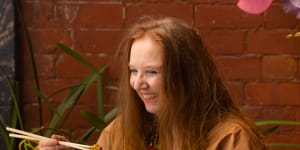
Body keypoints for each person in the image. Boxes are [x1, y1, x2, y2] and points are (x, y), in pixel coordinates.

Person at [38, 16, 267, 150]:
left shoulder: (232, 137)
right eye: (133, 71)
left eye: (152, 72)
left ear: (187, 75)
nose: (137, 84)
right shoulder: (122, 130)